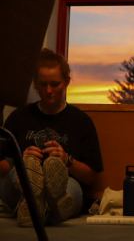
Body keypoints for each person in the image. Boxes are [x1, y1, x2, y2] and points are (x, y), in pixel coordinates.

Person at [0, 48, 103, 227]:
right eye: (43, 84)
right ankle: (46, 210)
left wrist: (67, 161)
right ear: (35, 83)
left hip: (67, 182)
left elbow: (90, 177)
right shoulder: (18, 118)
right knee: (18, 176)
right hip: (21, 179)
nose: (48, 90)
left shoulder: (81, 121)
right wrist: (20, 160)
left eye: (55, 84)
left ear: (66, 82)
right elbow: (1, 167)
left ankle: (34, 208)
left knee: (67, 188)